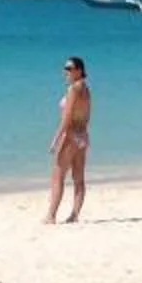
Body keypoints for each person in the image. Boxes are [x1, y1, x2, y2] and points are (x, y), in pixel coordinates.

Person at [46, 56, 92, 223]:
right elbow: (87, 115)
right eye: (65, 68)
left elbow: (66, 118)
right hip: (83, 136)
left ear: (79, 70)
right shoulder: (86, 89)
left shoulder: (73, 89)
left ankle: (51, 215)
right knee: (78, 178)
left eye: (69, 68)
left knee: (58, 176)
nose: (66, 72)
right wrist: (82, 134)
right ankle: (74, 214)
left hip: (71, 135)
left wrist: (56, 139)